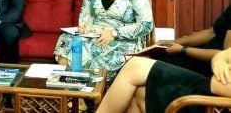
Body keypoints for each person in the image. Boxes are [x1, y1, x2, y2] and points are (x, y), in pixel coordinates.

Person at [53, 0, 153, 81]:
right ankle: (73, 87)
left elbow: (146, 24)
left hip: (123, 37)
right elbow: (86, 10)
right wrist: (84, 24)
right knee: (67, 40)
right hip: (94, 32)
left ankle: (93, 90)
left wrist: (114, 33)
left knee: (99, 50)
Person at [150, 0, 231, 77]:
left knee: (154, 66)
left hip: (210, 66)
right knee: (156, 56)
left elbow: (225, 56)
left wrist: (183, 50)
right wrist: (175, 41)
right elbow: (212, 32)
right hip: (201, 55)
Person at [96, 47, 231, 113]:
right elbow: (224, 54)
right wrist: (220, 62)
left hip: (210, 104)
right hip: (204, 89)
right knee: (137, 91)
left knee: (134, 68)